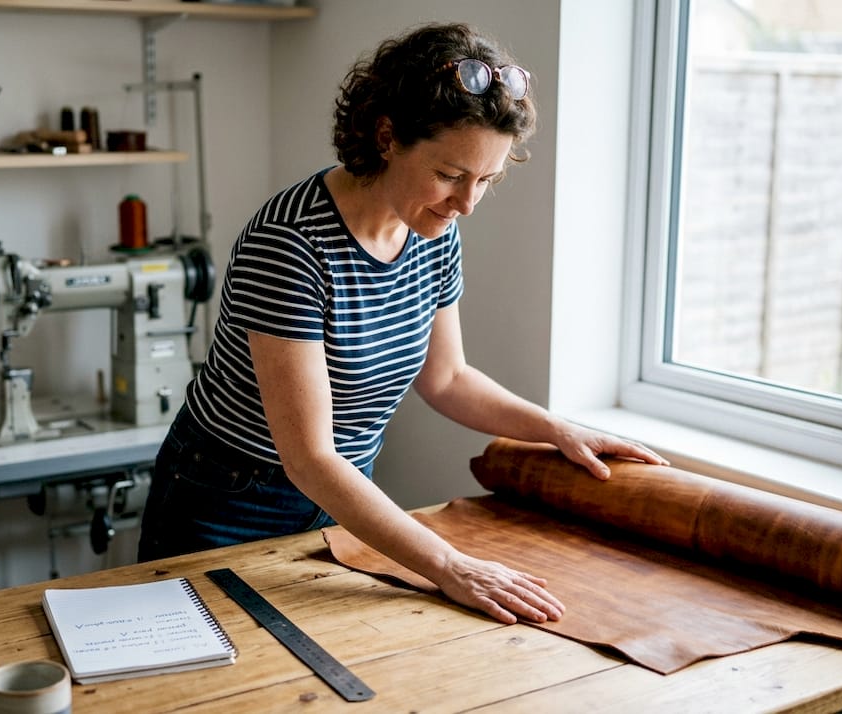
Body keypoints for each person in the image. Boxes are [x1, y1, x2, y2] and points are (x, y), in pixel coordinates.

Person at [137, 21, 667, 625]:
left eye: (486, 180)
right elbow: (308, 457)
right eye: (449, 174)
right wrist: (450, 565)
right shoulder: (289, 244)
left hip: (345, 493)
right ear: (387, 137)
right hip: (227, 497)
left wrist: (556, 430)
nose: (467, 202)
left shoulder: (434, 230)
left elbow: (447, 378)